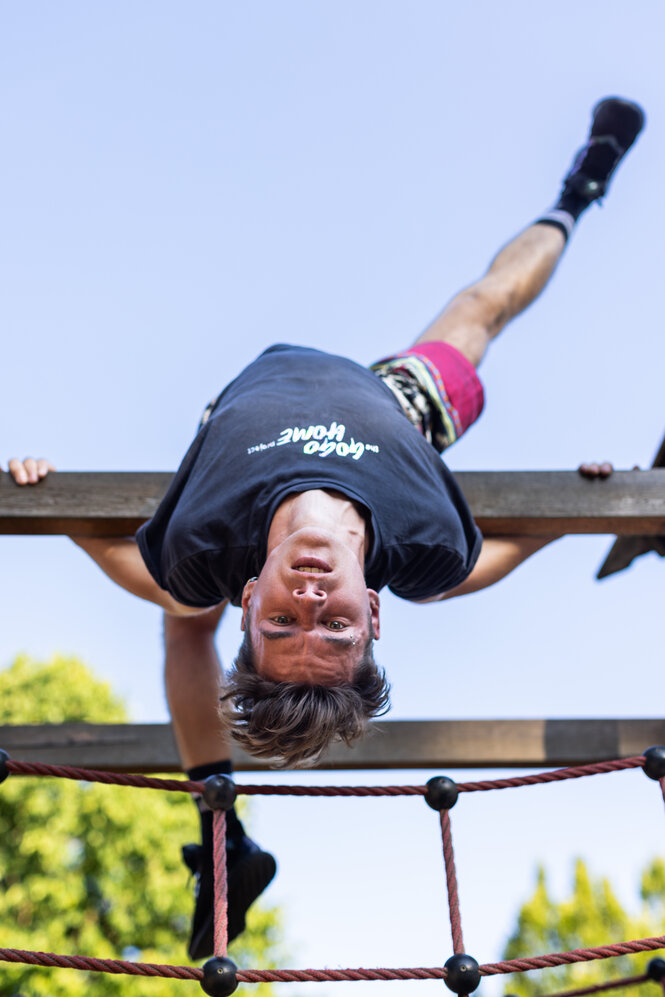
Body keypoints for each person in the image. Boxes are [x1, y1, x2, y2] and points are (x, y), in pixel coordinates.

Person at [8, 96, 644, 960]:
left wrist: (58, 505)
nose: (308, 597)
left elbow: (131, 565)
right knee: (482, 306)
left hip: (232, 448)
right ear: (375, 610)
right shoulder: (425, 544)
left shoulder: (205, 547)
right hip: (393, 403)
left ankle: (218, 819)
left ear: (250, 596)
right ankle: (580, 189)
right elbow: (480, 564)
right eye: (334, 621)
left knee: (175, 610)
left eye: (283, 619)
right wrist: (570, 512)